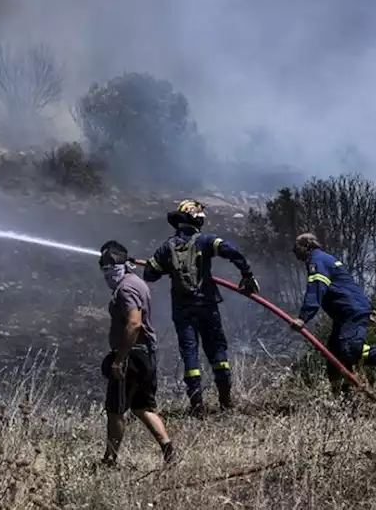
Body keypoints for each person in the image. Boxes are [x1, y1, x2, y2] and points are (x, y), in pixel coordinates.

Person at [144, 199, 259, 413]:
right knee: (217, 351)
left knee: (190, 354)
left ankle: (197, 405)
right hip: (207, 305)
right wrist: (247, 275)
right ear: (197, 219)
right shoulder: (205, 241)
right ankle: (226, 401)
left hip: (182, 310)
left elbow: (149, 274)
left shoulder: (166, 248)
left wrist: (168, 267)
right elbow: (231, 250)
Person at [288, 233, 376, 395]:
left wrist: (303, 318)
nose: (294, 251)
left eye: (296, 247)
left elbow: (316, 289)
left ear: (307, 246)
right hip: (346, 314)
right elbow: (348, 285)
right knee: (334, 356)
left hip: (351, 312)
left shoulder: (317, 260)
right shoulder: (324, 259)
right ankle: (342, 398)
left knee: (350, 350)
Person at [99, 241, 174, 466]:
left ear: (122, 265)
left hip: (132, 357)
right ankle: (169, 450)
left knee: (115, 409)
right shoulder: (137, 283)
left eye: (108, 267)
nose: (106, 273)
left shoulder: (126, 289)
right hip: (145, 355)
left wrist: (119, 360)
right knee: (142, 407)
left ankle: (110, 459)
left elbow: (134, 324)